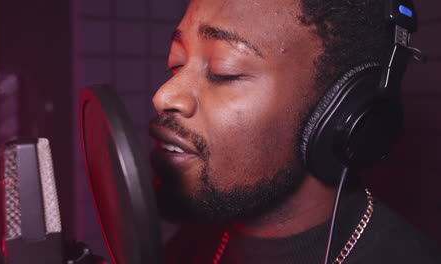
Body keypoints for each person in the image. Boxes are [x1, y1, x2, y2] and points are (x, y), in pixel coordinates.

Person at [148, 0, 440, 263]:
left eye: (224, 70)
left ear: (338, 111)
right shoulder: (186, 245)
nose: (165, 95)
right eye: (176, 62)